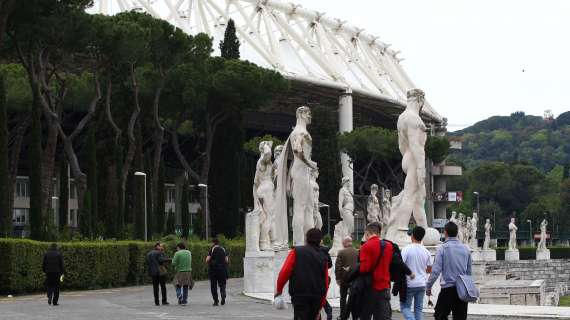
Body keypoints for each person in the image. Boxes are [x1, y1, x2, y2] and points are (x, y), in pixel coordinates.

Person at [275, 228, 329, 320]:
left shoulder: (297, 251)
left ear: (306, 238)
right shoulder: (323, 256)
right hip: (317, 296)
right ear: (320, 240)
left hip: (299, 294)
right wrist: (322, 303)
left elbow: (285, 271)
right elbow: (326, 281)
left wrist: (279, 290)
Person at [426, 222, 472, 320]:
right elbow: (469, 272)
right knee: (460, 318)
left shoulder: (442, 248)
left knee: (439, 315)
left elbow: (435, 271)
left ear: (445, 233)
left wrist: (428, 286)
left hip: (447, 289)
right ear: (457, 233)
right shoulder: (466, 249)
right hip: (462, 290)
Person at [400, 226, 432, 320]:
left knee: (405, 307)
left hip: (409, 284)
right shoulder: (426, 251)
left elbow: (401, 265)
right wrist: (421, 270)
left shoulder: (406, 249)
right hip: (422, 284)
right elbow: (429, 269)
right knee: (418, 309)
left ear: (412, 235)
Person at [335, 237, 358, 320]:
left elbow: (338, 267)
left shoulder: (341, 252)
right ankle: (355, 316)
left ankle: (343, 316)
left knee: (343, 298)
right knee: (354, 298)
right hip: (355, 279)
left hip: (344, 279)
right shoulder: (357, 252)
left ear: (345, 243)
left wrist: (338, 279)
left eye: (342, 242)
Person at [207, 238, 229, 306]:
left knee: (213, 286)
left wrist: (210, 261)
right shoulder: (223, 249)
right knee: (222, 284)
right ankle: (223, 294)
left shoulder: (212, 249)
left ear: (213, 243)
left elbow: (207, 260)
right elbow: (227, 260)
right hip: (222, 269)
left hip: (213, 270)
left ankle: (216, 301)